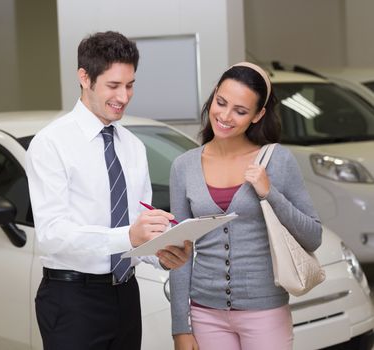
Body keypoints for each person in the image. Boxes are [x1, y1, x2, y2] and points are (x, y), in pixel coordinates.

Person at [24, 31, 193, 350]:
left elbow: (140, 226)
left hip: (126, 296)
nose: (124, 96)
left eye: (130, 85)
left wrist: (164, 254)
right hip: (72, 300)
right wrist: (129, 236)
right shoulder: (51, 144)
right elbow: (52, 234)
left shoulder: (133, 146)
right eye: (113, 86)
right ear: (84, 77)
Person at [169, 62, 323, 350]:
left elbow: (313, 236)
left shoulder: (278, 160)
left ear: (258, 115)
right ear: (214, 95)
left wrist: (269, 193)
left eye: (240, 111)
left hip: (265, 313)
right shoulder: (184, 166)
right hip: (205, 314)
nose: (225, 116)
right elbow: (181, 251)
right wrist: (180, 326)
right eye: (221, 103)